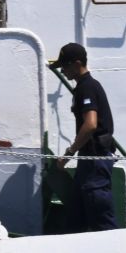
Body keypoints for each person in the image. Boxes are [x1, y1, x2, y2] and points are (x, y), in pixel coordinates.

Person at [51, 42, 118, 232]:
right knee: (76, 219)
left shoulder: (87, 87)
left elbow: (90, 124)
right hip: (88, 162)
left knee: (102, 221)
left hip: (95, 161)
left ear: (77, 64)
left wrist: (69, 152)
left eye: (65, 66)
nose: (62, 71)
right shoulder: (83, 86)